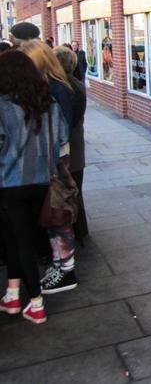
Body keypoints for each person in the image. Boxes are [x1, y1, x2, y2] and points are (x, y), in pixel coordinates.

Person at [0, 50, 68, 324]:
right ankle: (13, 294)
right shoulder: (49, 102)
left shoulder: (3, 106)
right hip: (41, 180)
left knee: (19, 240)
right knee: (17, 237)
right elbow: (62, 139)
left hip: (9, 181)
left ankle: (36, 303)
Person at [18, 40, 78, 293]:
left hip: (54, 162)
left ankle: (66, 270)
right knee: (52, 217)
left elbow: (61, 132)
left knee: (57, 215)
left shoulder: (57, 90)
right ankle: (59, 264)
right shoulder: (51, 87)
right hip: (50, 160)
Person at [53, 46, 89, 242]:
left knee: (68, 190)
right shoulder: (76, 84)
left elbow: (65, 123)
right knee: (76, 188)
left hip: (69, 147)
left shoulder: (64, 88)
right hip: (75, 145)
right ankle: (80, 229)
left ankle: (75, 231)